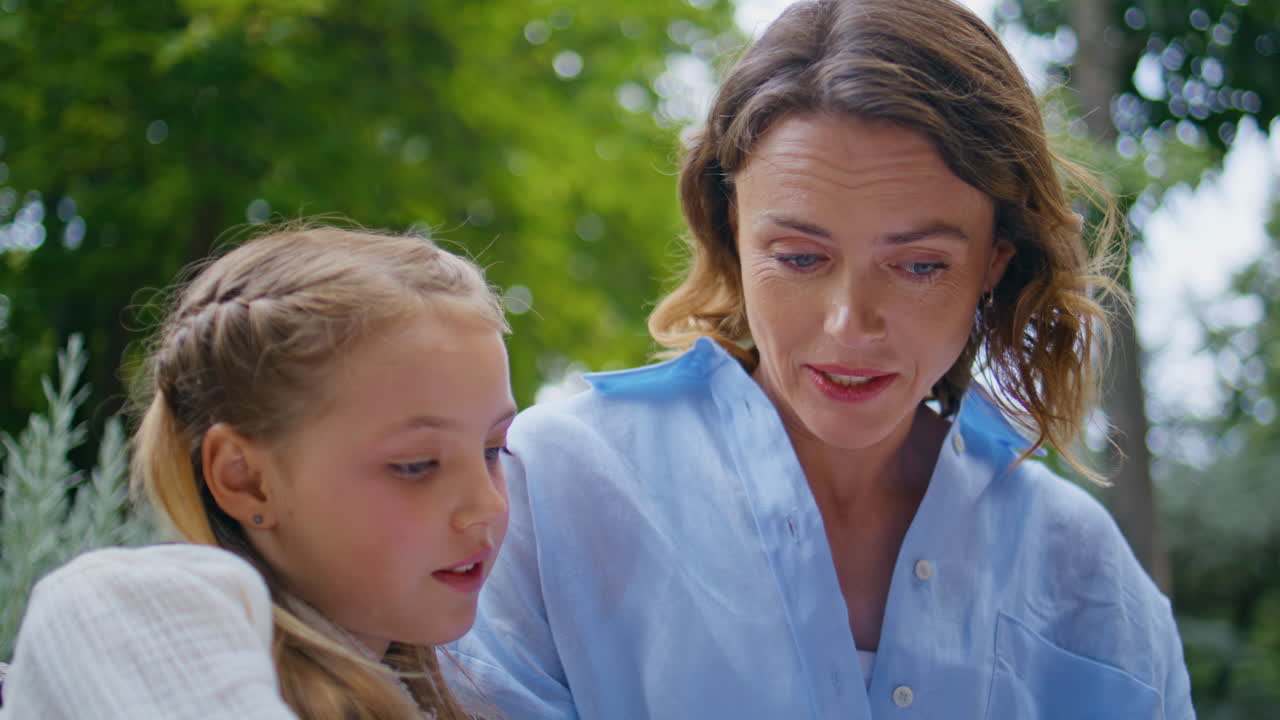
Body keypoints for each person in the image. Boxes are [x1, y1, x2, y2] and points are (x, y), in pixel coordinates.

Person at [445, 0, 1194, 717]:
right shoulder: (548, 490)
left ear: (995, 262)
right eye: (801, 258)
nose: (849, 325)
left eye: (920, 266)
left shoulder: (1085, 573)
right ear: (732, 232)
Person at [0, 226, 515, 719]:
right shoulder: (120, 611)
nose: (487, 506)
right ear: (245, 480)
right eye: (416, 465)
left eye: (493, 450)